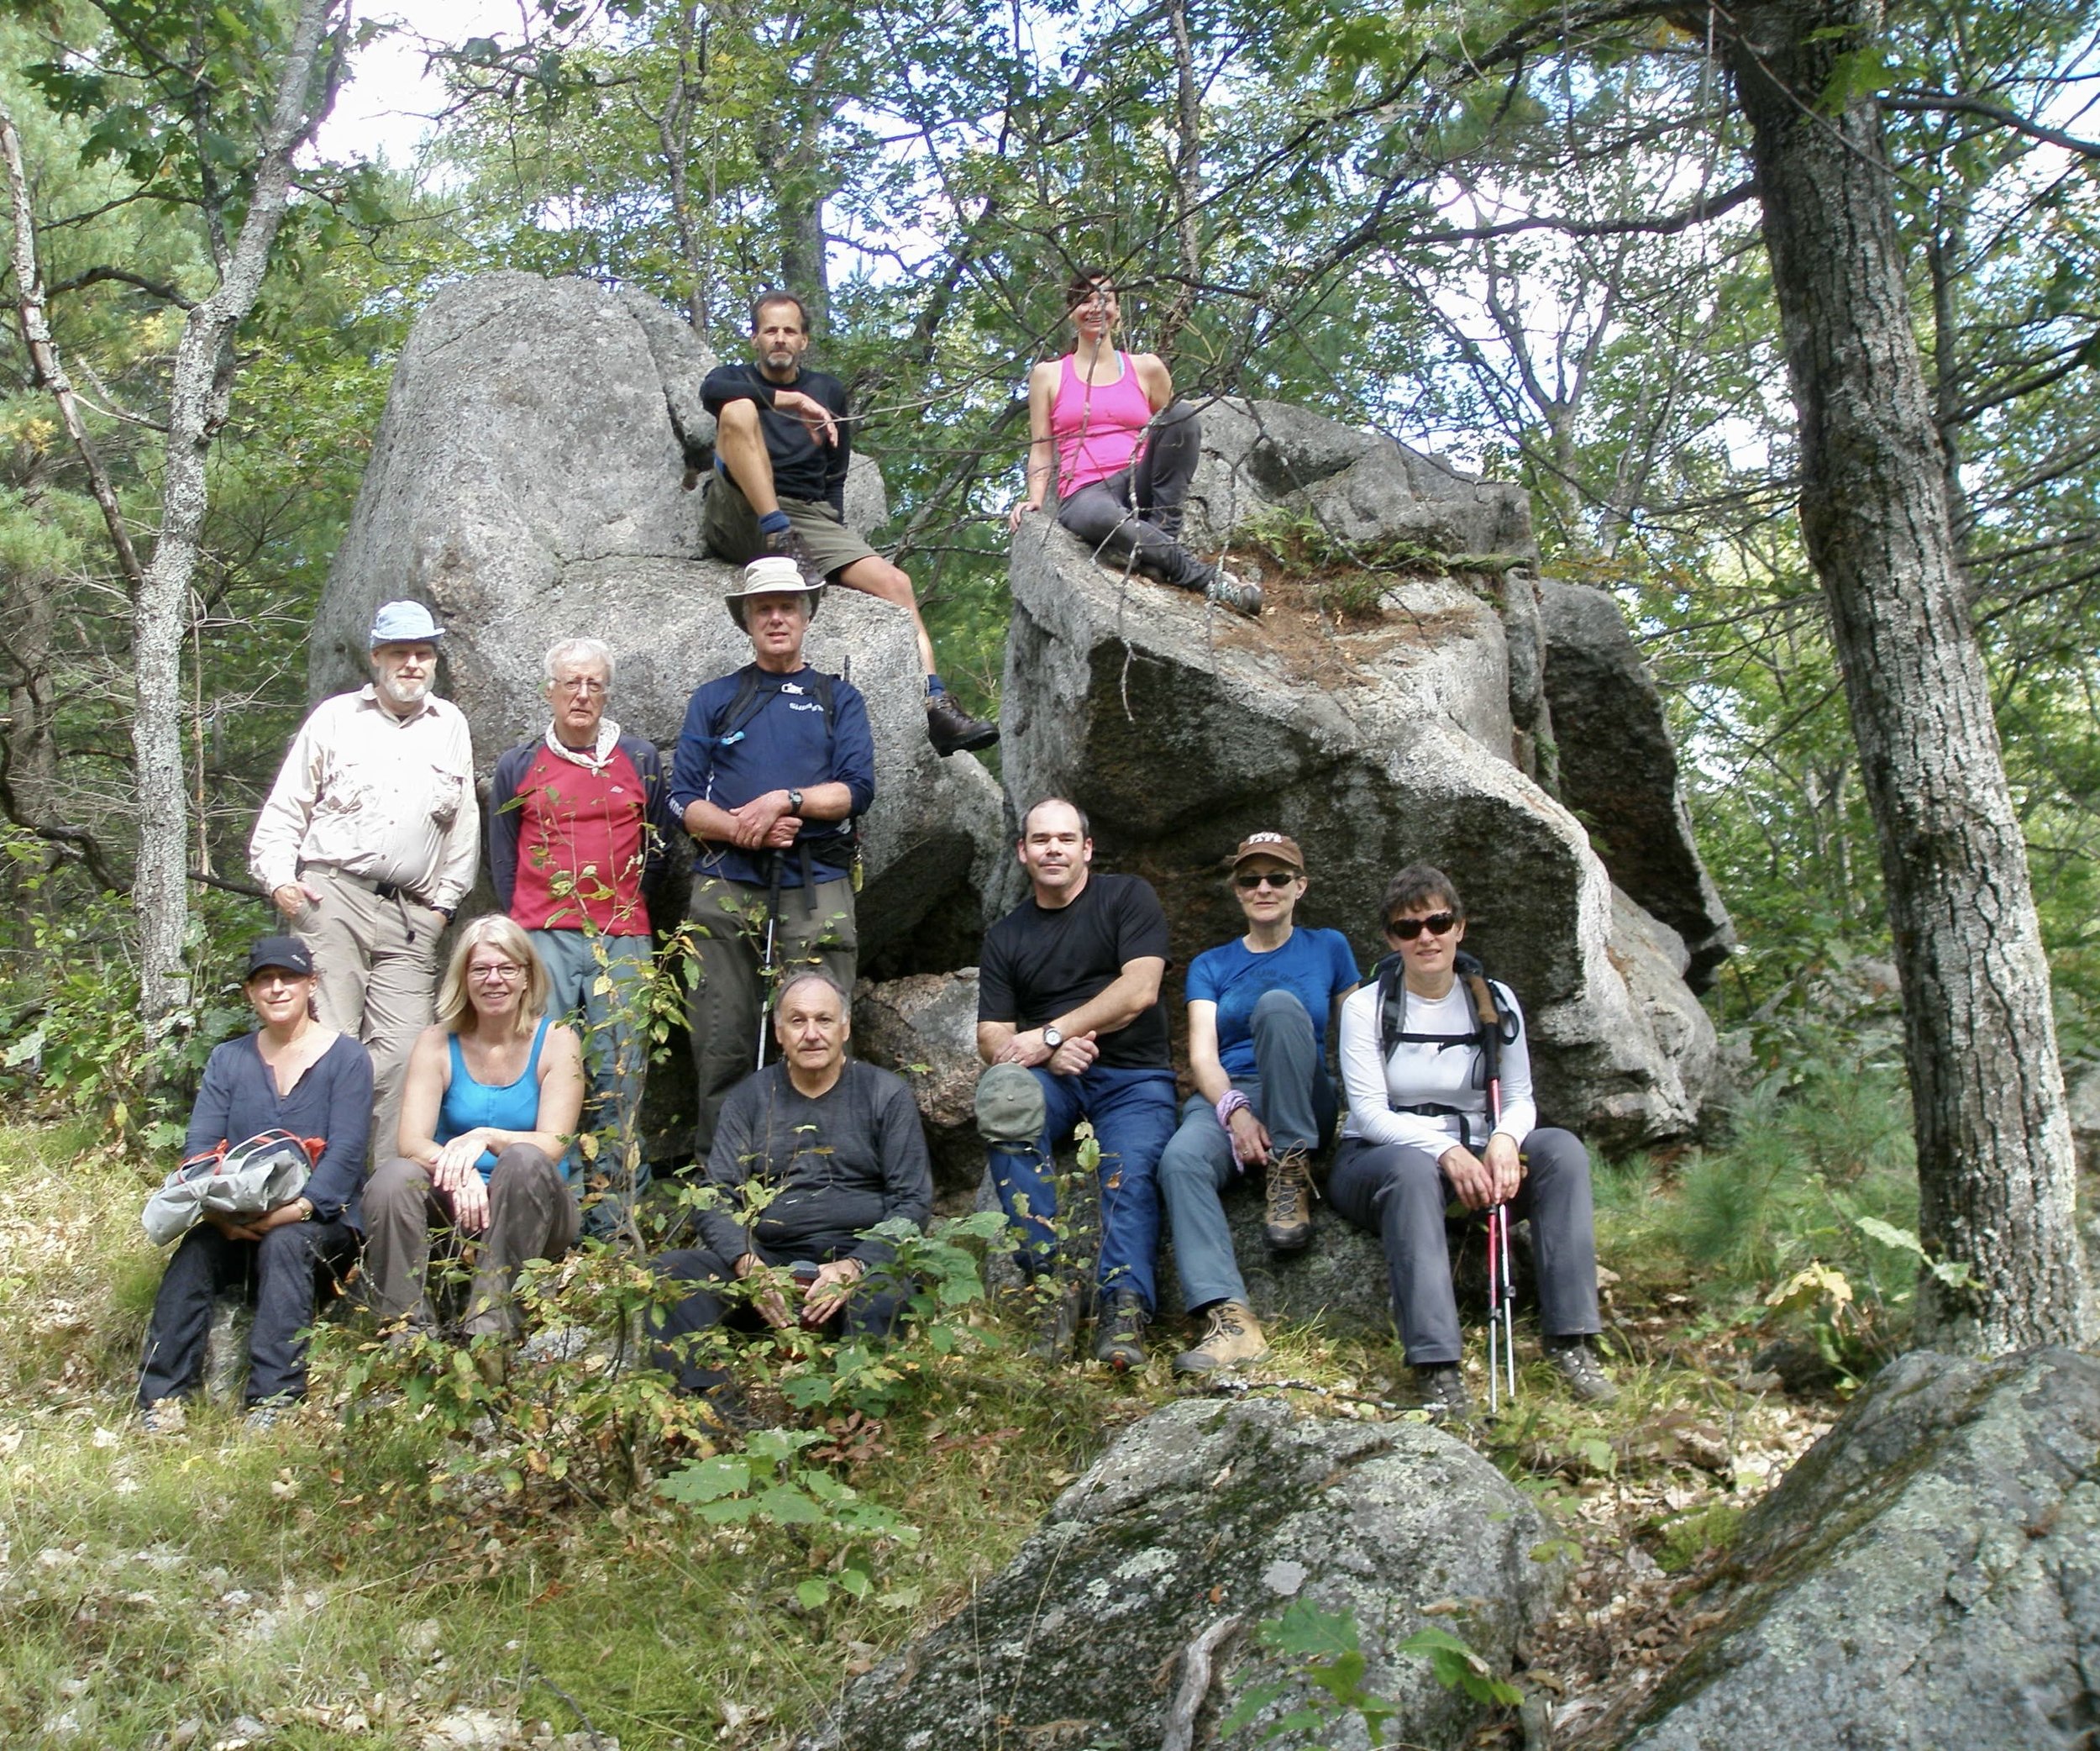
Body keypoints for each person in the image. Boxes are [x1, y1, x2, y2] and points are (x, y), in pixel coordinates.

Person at [1328, 864, 1616, 1418]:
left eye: (1438, 922)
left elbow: (1521, 1096)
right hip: (1382, 1162)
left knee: (1560, 1152)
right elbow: (1369, 1111)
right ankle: (1436, 1367)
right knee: (1411, 1173)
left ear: (1460, 926)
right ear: (1391, 939)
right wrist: (1445, 1150)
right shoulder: (1366, 1007)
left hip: (1481, 1156)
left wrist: (1506, 1140)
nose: (1426, 938)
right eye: (1408, 928)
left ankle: (1572, 1341)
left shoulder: (1495, 1000)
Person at [697, 289, 997, 759]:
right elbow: (711, 394)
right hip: (741, 511)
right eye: (770, 330)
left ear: (804, 340)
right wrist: (791, 402)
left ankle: (936, 703)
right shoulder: (732, 379)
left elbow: (835, 471)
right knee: (737, 409)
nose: (780, 338)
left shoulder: (830, 391)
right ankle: (777, 528)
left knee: (896, 584)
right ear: (755, 337)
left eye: (789, 331)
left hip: (805, 519)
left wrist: (833, 529)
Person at [248, 599, 479, 1155]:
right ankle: (315, 1197)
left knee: (403, 1054)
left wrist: (443, 907)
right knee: (326, 1045)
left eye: (423, 653)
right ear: (376, 657)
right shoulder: (335, 719)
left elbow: (464, 825)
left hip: (410, 915)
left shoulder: (449, 725)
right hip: (333, 900)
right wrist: (281, 881)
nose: (413, 664)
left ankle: (381, 1204)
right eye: (400, 652)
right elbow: (286, 808)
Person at [669, 556, 877, 1159]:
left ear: (808, 615)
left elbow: (856, 790)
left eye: (788, 606)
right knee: (722, 1035)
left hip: (817, 882)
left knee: (821, 1033)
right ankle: (724, 1176)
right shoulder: (715, 700)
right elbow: (683, 799)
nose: (777, 617)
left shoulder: (839, 698)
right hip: (726, 883)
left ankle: (824, 1171)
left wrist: (787, 801)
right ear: (748, 620)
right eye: (765, 608)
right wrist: (744, 829)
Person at [649, 970, 933, 1398]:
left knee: (883, 1295)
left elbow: (912, 1202)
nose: (812, 1034)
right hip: (769, 1267)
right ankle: (717, 1417)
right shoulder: (749, 1100)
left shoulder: (885, 1095)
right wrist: (748, 1266)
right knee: (670, 1274)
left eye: (824, 1020)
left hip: (858, 1266)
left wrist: (855, 1266)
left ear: (845, 1027)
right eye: (798, 1021)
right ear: (779, 1033)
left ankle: (855, 1419)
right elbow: (713, 1198)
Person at [138, 937, 373, 1433]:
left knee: (287, 1244)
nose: (277, 988)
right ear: (249, 992)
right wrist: (218, 1215)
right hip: (237, 1221)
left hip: (322, 1224)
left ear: (311, 984)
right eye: (264, 980)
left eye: (288, 977)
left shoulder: (347, 1059)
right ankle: (160, 1400)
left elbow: (347, 1157)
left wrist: (291, 1213)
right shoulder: (228, 1060)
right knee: (195, 1250)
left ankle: (274, 1400)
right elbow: (200, 1149)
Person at [976, 797, 1178, 1370]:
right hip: (1056, 1085)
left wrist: (1052, 1035)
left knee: (1130, 1168)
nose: (1053, 849)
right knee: (1005, 1096)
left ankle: (1124, 1307)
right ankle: (1051, 1288)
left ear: (1087, 848)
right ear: (1022, 853)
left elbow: (1139, 990)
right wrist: (1047, 1053)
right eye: (1041, 840)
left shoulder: (1126, 898)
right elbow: (991, 1036)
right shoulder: (1007, 936)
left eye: (1066, 839)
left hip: (1133, 1079)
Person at [1157, 833, 1359, 1375]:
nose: (1263, 888)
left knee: (1275, 1006)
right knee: (1180, 1161)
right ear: (1237, 890)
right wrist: (1236, 1113)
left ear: (1300, 886)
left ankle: (1290, 1168)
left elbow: (1358, 1034)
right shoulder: (1211, 964)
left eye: (1277, 878)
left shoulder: (1330, 947)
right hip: (1231, 1094)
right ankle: (1230, 1319)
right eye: (1250, 879)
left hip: (1303, 1089)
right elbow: (1203, 1056)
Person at [488, 638, 677, 1206]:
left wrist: (626, 905)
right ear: (549, 691)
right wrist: (525, 925)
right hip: (540, 938)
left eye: (594, 683)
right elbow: (502, 854)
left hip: (622, 937)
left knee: (622, 1075)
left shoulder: (640, 759)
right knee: (545, 1075)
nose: (582, 694)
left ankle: (617, 1220)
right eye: (571, 682)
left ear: (607, 693)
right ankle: (554, 1211)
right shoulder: (519, 764)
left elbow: (660, 848)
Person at [364, 917, 585, 1343]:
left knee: (522, 1159)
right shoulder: (436, 1041)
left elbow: (555, 1145)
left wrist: (486, 1137)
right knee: (392, 1179)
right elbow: (410, 1143)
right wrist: (459, 1171)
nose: (493, 980)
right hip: (455, 1200)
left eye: (507, 969)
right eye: (480, 969)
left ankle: (489, 1332)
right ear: (463, 978)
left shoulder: (558, 1039)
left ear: (527, 977)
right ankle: (406, 1335)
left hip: (536, 1203)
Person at [1010, 267, 1262, 618]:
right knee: (1104, 519)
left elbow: (1172, 433)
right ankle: (1203, 577)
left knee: (1182, 414)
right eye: (1084, 300)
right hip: (1085, 493)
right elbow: (1041, 445)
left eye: (1105, 299)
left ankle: (1158, 543)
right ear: (1071, 311)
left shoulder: (1147, 368)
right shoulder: (1048, 375)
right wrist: (1035, 501)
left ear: (1117, 311)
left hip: (1139, 482)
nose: (1095, 307)